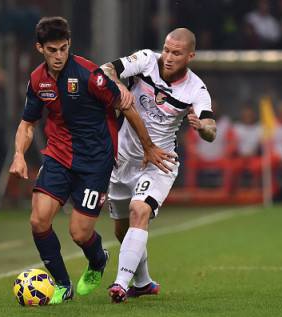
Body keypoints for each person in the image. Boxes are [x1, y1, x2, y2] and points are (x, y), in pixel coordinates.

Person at [9, 16, 172, 305]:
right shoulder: (37, 80)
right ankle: (61, 284)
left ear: (69, 45)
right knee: (38, 220)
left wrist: (148, 147)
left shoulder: (90, 75)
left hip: (95, 162)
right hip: (58, 156)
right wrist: (19, 155)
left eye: (63, 49)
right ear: (39, 48)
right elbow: (27, 124)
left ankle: (97, 260)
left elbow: (128, 106)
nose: (59, 56)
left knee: (79, 233)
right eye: (52, 50)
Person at [101, 28, 217, 303]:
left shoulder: (195, 89)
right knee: (121, 230)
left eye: (176, 53)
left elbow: (212, 129)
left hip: (160, 162)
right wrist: (117, 83)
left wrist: (202, 128)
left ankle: (120, 284)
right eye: (166, 49)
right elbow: (105, 69)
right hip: (123, 160)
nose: (167, 57)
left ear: (190, 56)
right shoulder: (145, 60)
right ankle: (142, 282)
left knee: (138, 210)